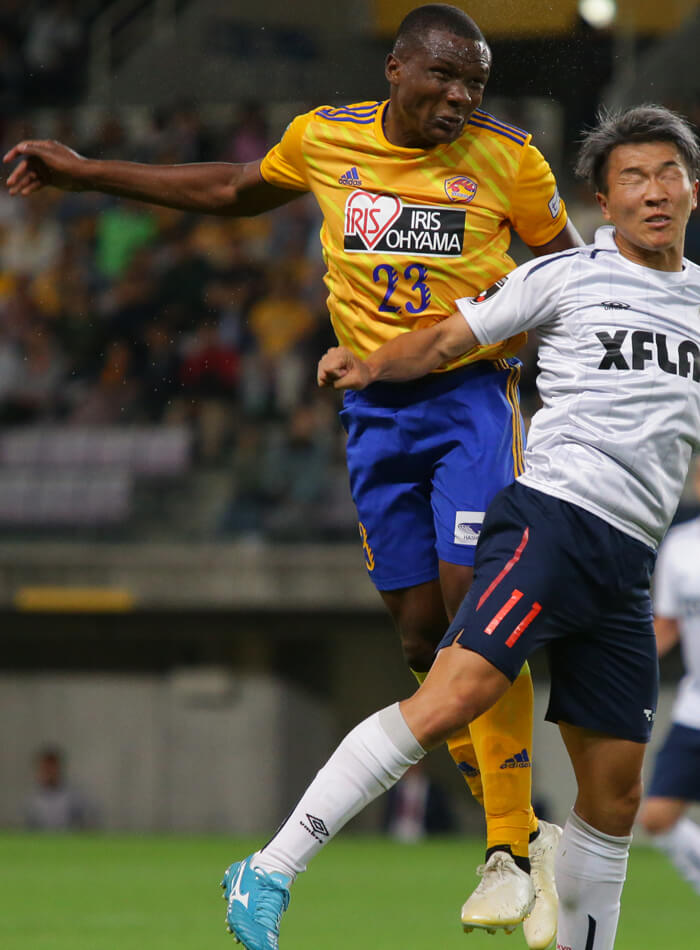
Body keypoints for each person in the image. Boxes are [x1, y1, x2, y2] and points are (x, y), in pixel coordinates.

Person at [4, 6, 581, 940]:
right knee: (421, 637)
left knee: (476, 606)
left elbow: (571, 277)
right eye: (443, 77)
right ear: (396, 69)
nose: (459, 98)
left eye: (474, 83)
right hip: (373, 408)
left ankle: (509, 845)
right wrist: (88, 170)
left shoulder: (512, 159)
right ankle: (514, 823)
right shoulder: (325, 138)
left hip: (471, 395)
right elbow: (234, 188)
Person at [219, 103, 700, 950]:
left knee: (616, 797)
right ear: (604, 200)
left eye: (669, 174)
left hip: (628, 560)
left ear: (694, 189)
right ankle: (271, 866)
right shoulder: (566, 277)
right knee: (451, 697)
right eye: (634, 178)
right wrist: (368, 363)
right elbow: (446, 340)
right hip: (551, 524)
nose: (654, 191)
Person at [638, 455, 700, 894]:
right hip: (694, 710)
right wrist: (626, 665)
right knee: (657, 816)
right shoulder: (679, 545)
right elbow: (667, 625)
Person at [24, 745, 93, 830]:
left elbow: (84, 824)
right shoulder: (32, 800)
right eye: (45, 768)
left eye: (52, 768)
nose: (49, 772)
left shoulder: (74, 797)